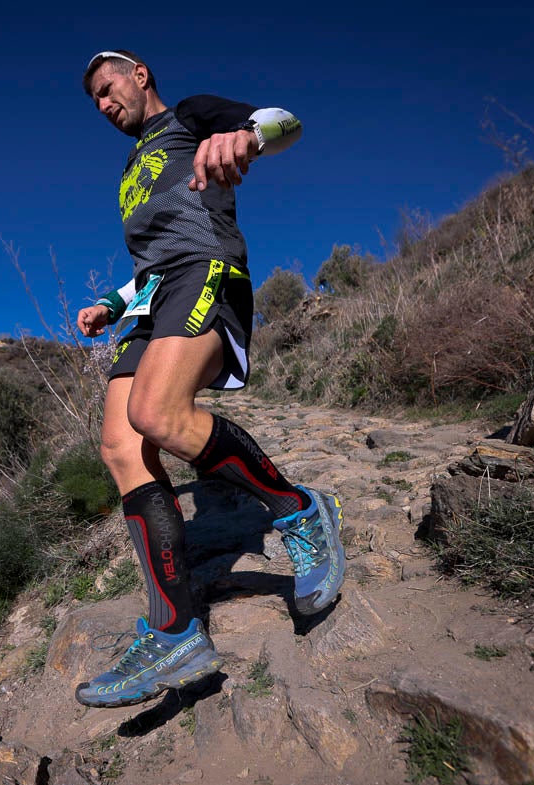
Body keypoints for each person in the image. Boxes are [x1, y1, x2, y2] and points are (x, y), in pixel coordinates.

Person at [74, 51, 345, 708]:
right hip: (154, 299)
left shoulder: (190, 116)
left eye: (109, 91)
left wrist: (247, 135)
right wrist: (112, 303)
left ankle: (300, 513)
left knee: (159, 414)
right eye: (96, 105)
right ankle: (174, 633)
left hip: (206, 271)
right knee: (120, 448)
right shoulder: (130, 170)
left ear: (138, 74)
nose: (106, 107)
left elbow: (286, 123)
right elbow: (149, 262)